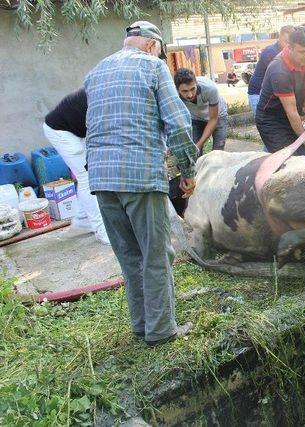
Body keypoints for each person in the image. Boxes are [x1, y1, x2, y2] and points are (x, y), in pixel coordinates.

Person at [84, 21, 198, 346]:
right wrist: (188, 171)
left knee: (129, 255)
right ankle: (161, 331)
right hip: (139, 175)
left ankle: (141, 326)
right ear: (151, 46)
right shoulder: (152, 67)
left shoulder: (95, 72)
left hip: (101, 178)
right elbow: (177, 124)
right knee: (156, 253)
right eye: (161, 52)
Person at [42, 88, 109, 245]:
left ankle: (82, 220)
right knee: (88, 178)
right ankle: (101, 230)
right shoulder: (102, 96)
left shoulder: (107, 91)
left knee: (92, 174)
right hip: (60, 131)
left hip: (77, 130)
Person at [255, 26, 305, 156]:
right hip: (271, 120)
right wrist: (304, 140)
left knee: (302, 156)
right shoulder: (279, 71)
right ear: (289, 47)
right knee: (288, 158)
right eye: (302, 52)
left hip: (292, 115)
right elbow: (291, 112)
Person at [174, 67, 228, 154]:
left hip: (218, 116)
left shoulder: (210, 89)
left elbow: (213, 119)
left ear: (196, 83)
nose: (190, 95)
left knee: (218, 151)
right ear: (177, 89)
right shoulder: (173, 95)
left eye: (192, 89)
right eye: (184, 91)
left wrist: (199, 144)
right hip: (195, 118)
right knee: (194, 153)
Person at [247, 25, 294, 115]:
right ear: (279, 37)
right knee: (264, 123)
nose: (288, 45)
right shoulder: (270, 52)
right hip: (257, 93)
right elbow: (280, 75)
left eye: (290, 43)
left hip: (270, 94)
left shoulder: (286, 52)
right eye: (286, 41)